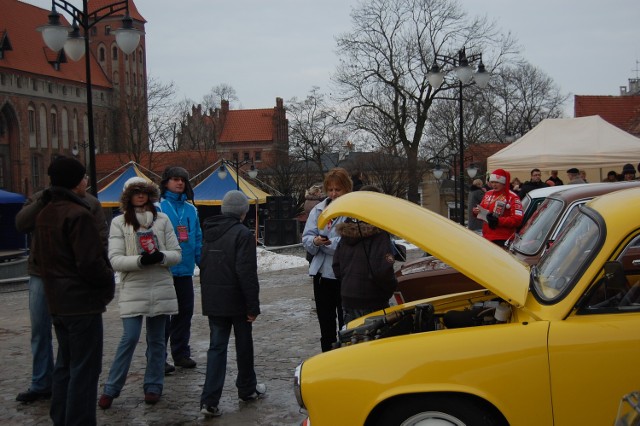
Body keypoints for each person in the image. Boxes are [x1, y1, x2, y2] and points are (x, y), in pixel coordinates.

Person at [33, 156, 115, 426]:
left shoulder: (46, 212)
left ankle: (62, 418)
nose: (86, 182)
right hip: (81, 302)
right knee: (84, 370)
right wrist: (106, 285)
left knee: (65, 365)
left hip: (58, 301)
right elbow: (91, 262)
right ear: (74, 182)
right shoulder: (78, 214)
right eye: (83, 177)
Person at [14, 176, 107, 404]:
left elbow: (101, 239)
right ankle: (41, 382)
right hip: (40, 274)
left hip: (73, 278)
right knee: (40, 330)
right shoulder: (41, 199)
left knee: (69, 334)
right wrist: (41, 201)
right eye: (81, 177)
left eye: (84, 177)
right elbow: (21, 223)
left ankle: (69, 381)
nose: (84, 181)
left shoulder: (91, 203)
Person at [98, 178, 182, 409]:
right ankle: (112, 387)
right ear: (128, 196)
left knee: (157, 341)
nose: (141, 197)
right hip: (134, 285)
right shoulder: (119, 223)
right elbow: (115, 259)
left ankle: (154, 385)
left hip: (160, 285)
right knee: (130, 338)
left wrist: (162, 257)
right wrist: (140, 260)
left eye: (144, 192)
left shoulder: (162, 219)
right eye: (136, 193)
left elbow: (176, 252)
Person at [199, 190, 265, 418]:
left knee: (216, 348)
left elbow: (205, 265)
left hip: (214, 299)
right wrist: (252, 305)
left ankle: (209, 400)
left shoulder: (208, 231)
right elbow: (246, 271)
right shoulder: (242, 234)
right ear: (243, 212)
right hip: (237, 301)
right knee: (244, 345)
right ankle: (247, 389)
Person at [302, 167, 352, 352]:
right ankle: (328, 355)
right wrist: (315, 242)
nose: (333, 194)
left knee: (346, 322)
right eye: (330, 189)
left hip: (344, 274)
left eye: (337, 190)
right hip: (322, 275)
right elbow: (307, 237)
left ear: (346, 189)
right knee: (326, 322)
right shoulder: (319, 209)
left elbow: (348, 241)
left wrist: (327, 244)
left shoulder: (352, 211)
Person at [333, 185, 397, 325]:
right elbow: (383, 271)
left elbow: (336, 265)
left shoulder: (345, 232)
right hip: (373, 300)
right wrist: (392, 287)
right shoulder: (379, 234)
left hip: (349, 298)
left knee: (353, 340)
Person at [159, 166, 202, 373]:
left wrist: (202, 262)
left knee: (184, 314)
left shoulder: (191, 210)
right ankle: (159, 357)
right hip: (165, 271)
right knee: (163, 317)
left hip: (185, 270)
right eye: (175, 179)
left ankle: (181, 353)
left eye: (183, 180)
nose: (179, 183)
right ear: (166, 182)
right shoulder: (158, 208)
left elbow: (198, 238)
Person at [472, 168, 523, 247]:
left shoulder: (513, 197)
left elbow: (517, 220)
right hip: (486, 237)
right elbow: (481, 209)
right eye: (492, 182)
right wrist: (476, 212)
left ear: (503, 183)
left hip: (503, 239)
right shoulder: (488, 194)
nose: (494, 185)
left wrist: (498, 221)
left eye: (497, 182)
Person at [303, 183, 326, 263]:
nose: (321, 193)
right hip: (317, 224)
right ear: (316, 193)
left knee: (311, 240)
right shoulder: (317, 203)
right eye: (319, 192)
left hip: (308, 223)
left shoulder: (307, 201)